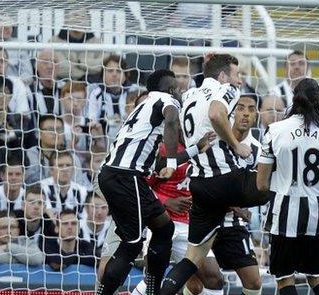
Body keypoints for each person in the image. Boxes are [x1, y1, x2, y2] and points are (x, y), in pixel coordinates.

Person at [96, 69, 214, 295]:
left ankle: (152, 290)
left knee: (163, 227)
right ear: (171, 89)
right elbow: (171, 121)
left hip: (121, 175)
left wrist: (194, 149)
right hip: (125, 176)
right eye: (179, 89)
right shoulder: (167, 100)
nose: (181, 93)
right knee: (132, 244)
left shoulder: (144, 108)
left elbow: (157, 163)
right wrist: (171, 160)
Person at [159, 55, 269, 295]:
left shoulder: (188, 95)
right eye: (236, 74)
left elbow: (174, 128)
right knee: (277, 182)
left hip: (200, 185)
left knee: (191, 260)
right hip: (227, 179)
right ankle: (313, 244)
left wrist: (184, 152)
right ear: (222, 77)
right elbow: (216, 114)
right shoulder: (226, 89)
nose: (239, 81)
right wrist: (236, 145)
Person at [256, 78, 319, 295]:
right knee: (317, 278)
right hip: (318, 218)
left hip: (283, 216)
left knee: (285, 281)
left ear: (294, 99)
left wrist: (288, 184)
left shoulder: (275, 130)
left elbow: (261, 184)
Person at [269, 51, 319, 122]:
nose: (297, 67)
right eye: (292, 63)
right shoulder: (275, 91)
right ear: (285, 68)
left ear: (308, 68)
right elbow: (270, 120)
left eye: (301, 63)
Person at [40, 150, 89, 217]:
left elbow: (84, 219)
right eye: (60, 166)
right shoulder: (41, 188)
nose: (65, 169)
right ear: (51, 170)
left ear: (73, 169)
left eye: (68, 165)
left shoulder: (82, 192)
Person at [30, 49, 64, 118]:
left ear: (59, 67)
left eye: (54, 62)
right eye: (45, 62)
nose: (50, 66)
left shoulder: (67, 88)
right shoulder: (28, 90)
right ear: (36, 66)